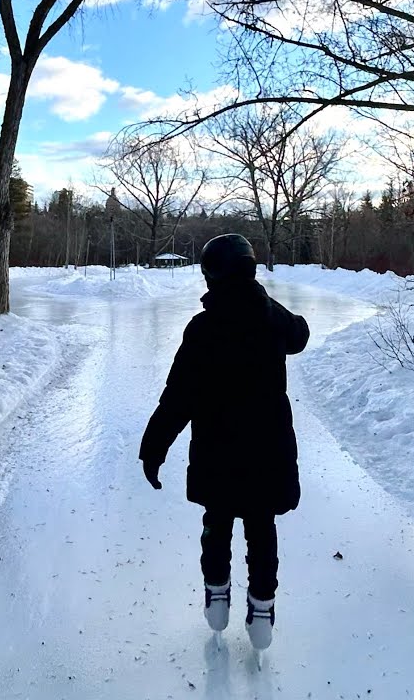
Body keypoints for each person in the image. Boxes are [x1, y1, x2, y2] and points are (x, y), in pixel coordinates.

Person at [139, 233, 310, 650]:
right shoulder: (271, 318)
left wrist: (154, 447)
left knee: (216, 524)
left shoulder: (203, 328)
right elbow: (300, 335)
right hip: (267, 453)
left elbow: (177, 395)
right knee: (261, 528)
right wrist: (265, 301)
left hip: (217, 453)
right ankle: (263, 605)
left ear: (212, 277)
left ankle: (216, 592)